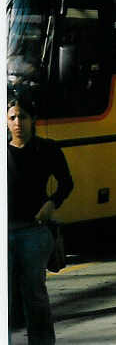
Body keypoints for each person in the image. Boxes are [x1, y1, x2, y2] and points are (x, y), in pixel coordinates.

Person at [7, 88, 73, 345]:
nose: (17, 123)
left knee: (34, 293)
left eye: (22, 117)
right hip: (6, 232)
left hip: (33, 232)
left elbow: (67, 182)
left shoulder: (46, 149)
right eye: (12, 117)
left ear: (32, 119)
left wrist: (51, 203)